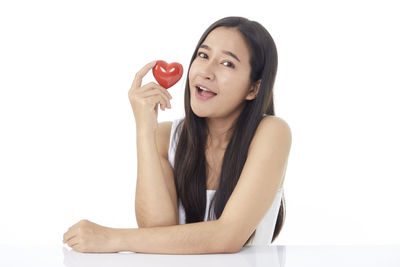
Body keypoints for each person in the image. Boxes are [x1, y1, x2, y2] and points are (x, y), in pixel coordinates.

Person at [62, 16, 291, 254]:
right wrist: (144, 130)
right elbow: (156, 231)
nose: (206, 72)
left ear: (254, 88)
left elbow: (227, 236)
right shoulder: (165, 137)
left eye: (227, 64)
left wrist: (112, 239)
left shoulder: (272, 133)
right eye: (203, 56)